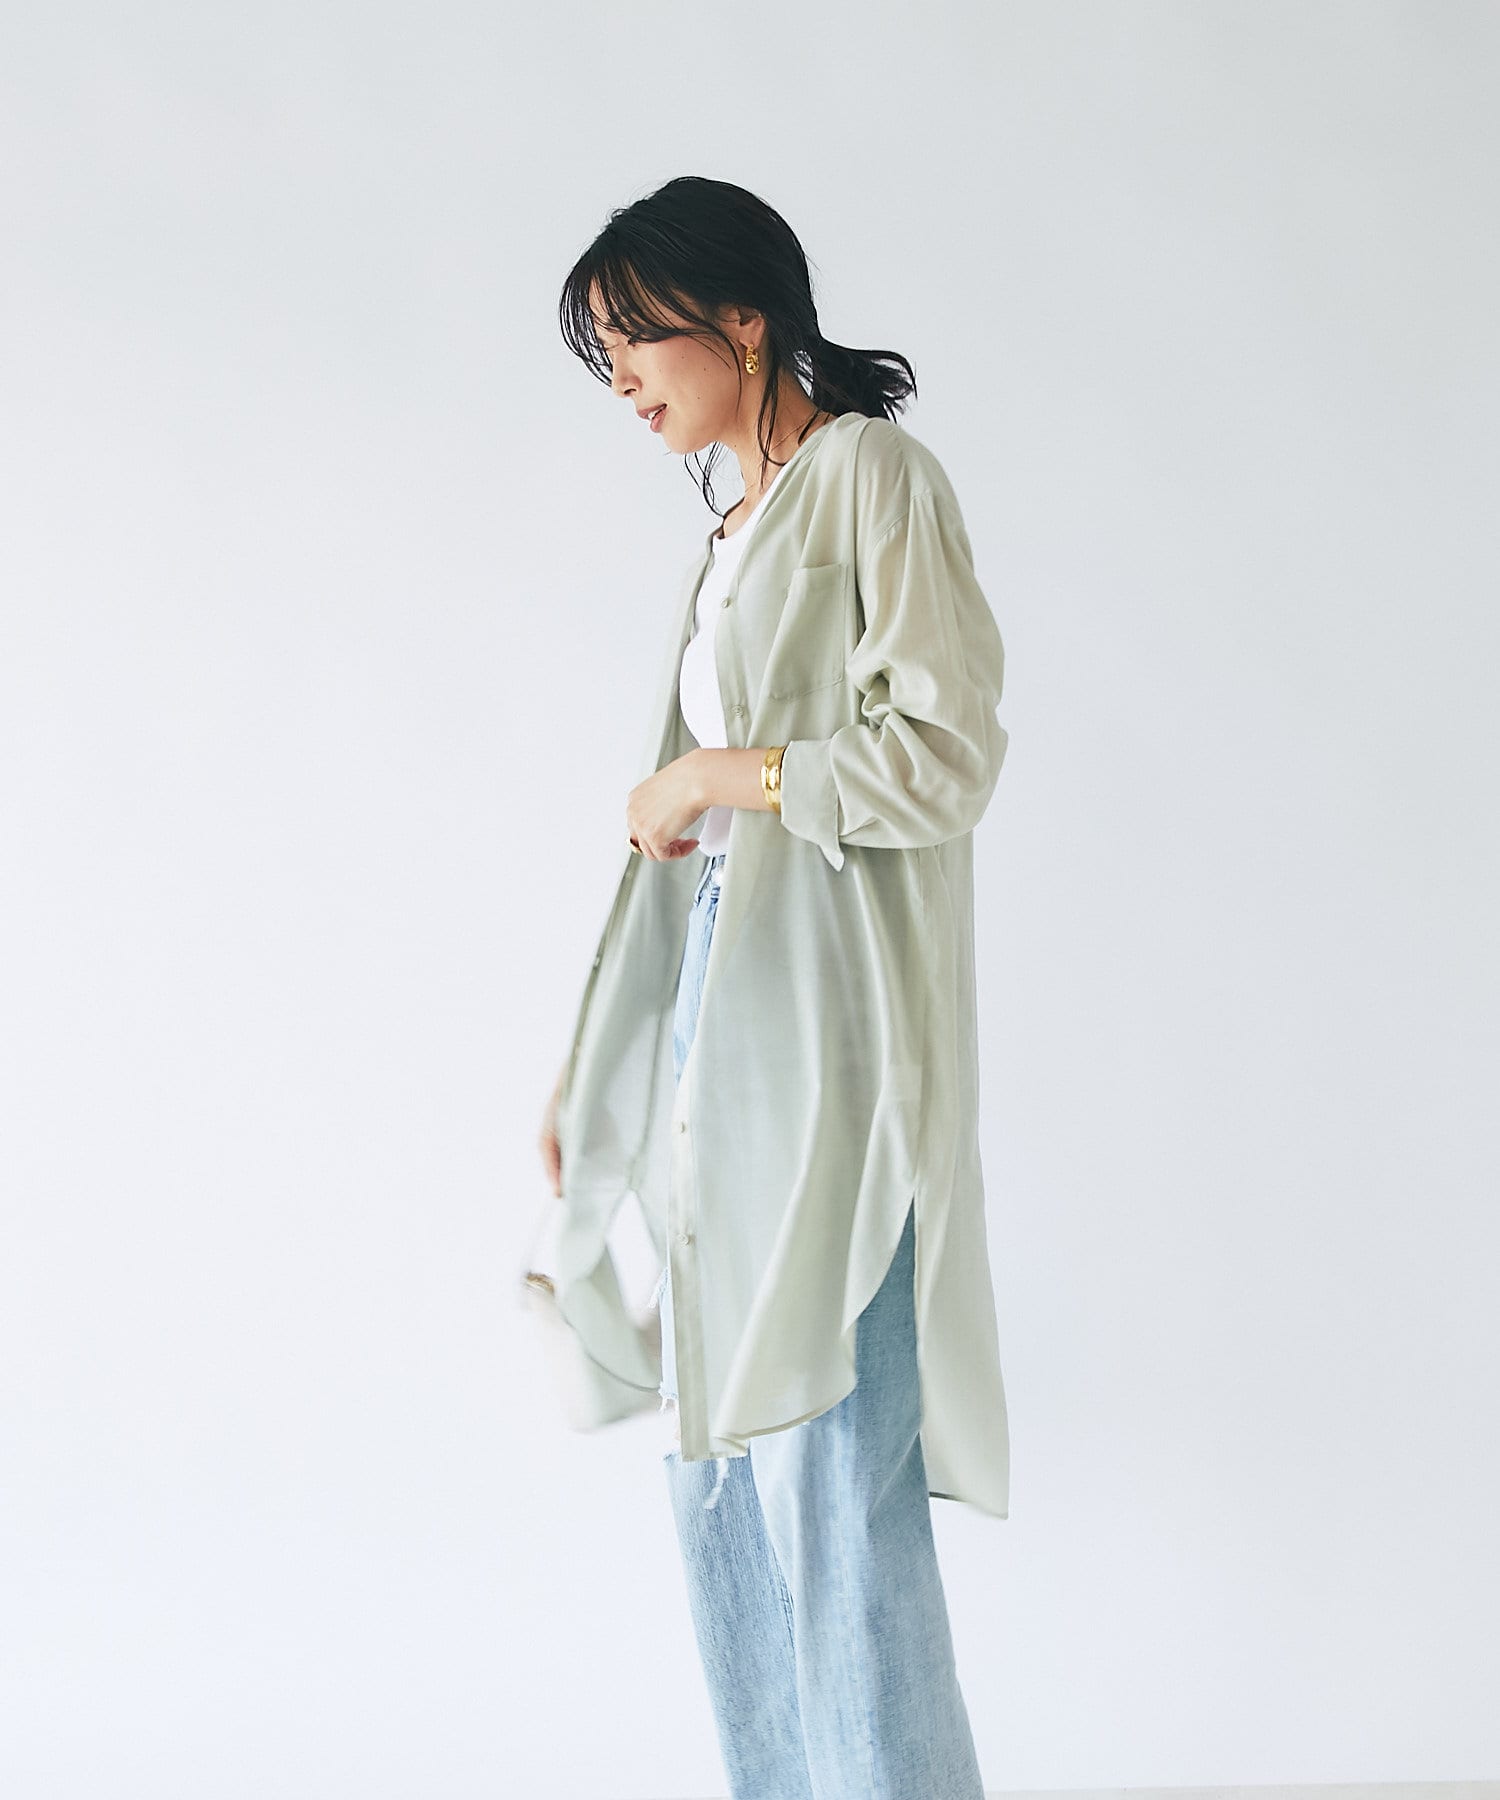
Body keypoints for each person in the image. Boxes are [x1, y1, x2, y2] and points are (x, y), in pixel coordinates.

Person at [538, 175, 1010, 1800]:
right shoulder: (731, 536)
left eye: (637, 337)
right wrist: (600, 1078)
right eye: (601, 352)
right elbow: (678, 865)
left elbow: (942, 755)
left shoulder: (872, 477)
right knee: (722, 1477)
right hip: (716, 1037)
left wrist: (716, 774)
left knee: (833, 1480)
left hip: (836, 1042)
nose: (621, 378)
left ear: (744, 319)